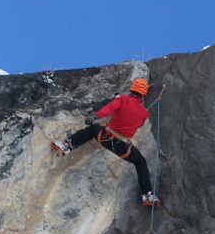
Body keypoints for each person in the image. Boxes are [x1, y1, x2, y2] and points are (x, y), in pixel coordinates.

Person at [51, 78, 159, 207]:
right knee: (141, 162)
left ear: (131, 88)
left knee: (93, 129)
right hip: (123, 148)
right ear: (143, 94)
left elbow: (110, 107)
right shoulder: (144, 113)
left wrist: (95, 116)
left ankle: (67, 145)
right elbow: (139, 124)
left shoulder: (123, 98)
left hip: (105, 137)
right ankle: (147, 195)